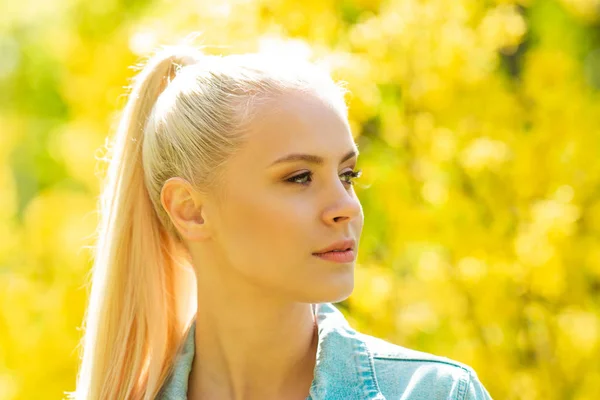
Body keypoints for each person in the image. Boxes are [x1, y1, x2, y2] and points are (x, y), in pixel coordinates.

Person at [67, 42, 493, 400]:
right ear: (190, 208)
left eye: (347, 175)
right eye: (300, 177)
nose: (346, 207)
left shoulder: (435, 392)